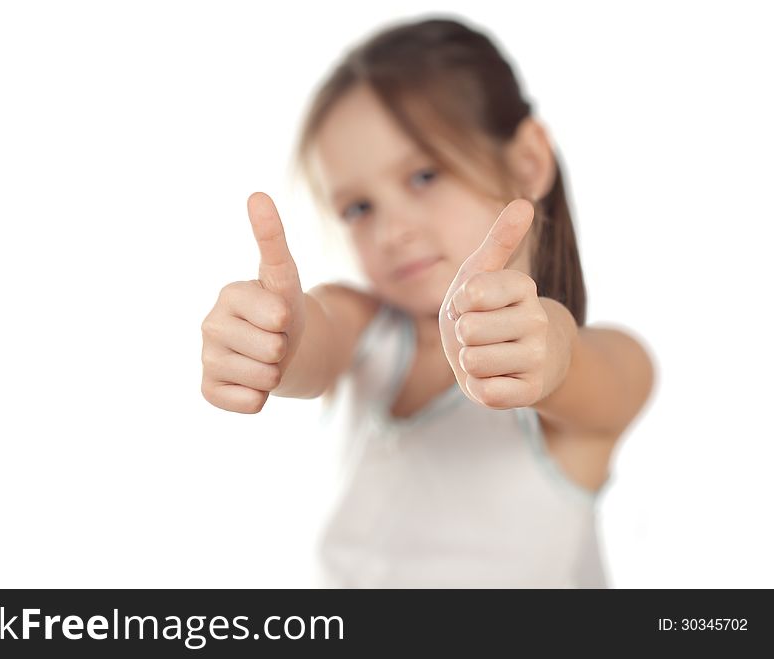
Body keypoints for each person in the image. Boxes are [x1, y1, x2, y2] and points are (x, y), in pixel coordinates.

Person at [200, 17, 655, 587]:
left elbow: (577, 362)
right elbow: (315, 336)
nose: (392, 230)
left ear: (529, 161)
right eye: (359, 209)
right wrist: (274, 341)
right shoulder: (362, 330)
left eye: (422, 175)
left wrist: (552, 348)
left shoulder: (597, 362)